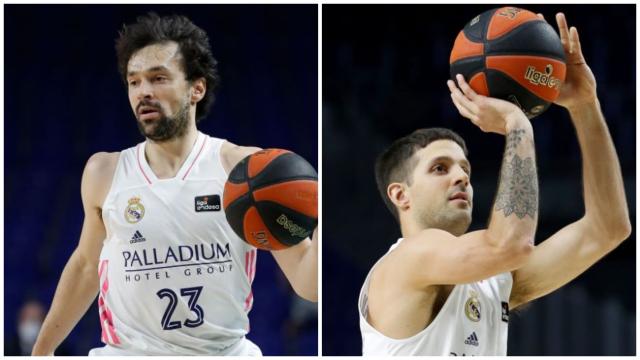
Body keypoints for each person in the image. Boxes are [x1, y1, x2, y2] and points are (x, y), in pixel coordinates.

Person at [32, 13, 317, 356]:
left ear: (197, 88)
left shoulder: (243, 169)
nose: (144, 92)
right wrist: (41, 352)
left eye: (158, 78)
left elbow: (307, 282)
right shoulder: (103, 172)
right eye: (134, 82)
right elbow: (86, 266)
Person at [358, 12, 630, 356]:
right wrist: (518, 125)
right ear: (401, 194)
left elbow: (608, 229)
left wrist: (584, 106)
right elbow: (510, 245)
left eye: (465, 169)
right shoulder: (406, 261)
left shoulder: (492, 280)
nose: (460, 177)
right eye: (439, 168)